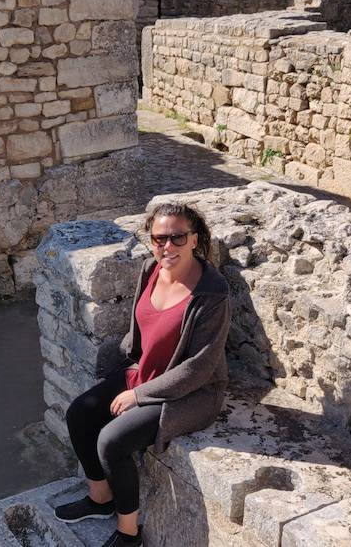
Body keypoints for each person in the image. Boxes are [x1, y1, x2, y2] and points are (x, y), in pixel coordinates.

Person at [53, 202, 231, 547]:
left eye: (178, 238)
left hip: (189, 392)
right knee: (80, 413)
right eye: (159, 238)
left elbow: (199, 367)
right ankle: (100, 499)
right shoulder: (151, 268)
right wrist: (118, 372)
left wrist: (138, 395)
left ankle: (128, 534)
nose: (168, 246)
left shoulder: (212, 292)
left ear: (195, 239)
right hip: (144, 373)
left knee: (112, 440)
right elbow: (137, 334)